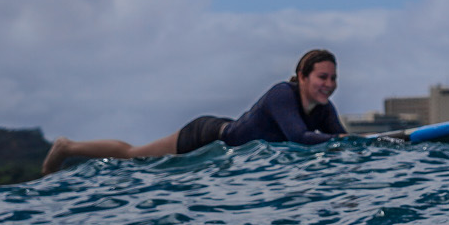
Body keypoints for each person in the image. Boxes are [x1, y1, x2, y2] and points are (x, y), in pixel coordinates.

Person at [41, 48, 346, 175]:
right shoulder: (283, 94)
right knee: (134, 155)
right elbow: (298, 137)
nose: (329, 84)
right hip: (206, 135)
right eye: (322, 77)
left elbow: (343, 141)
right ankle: (67, 146)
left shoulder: (323, 109)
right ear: (303, 76)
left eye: (332, 78)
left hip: (233, 143)